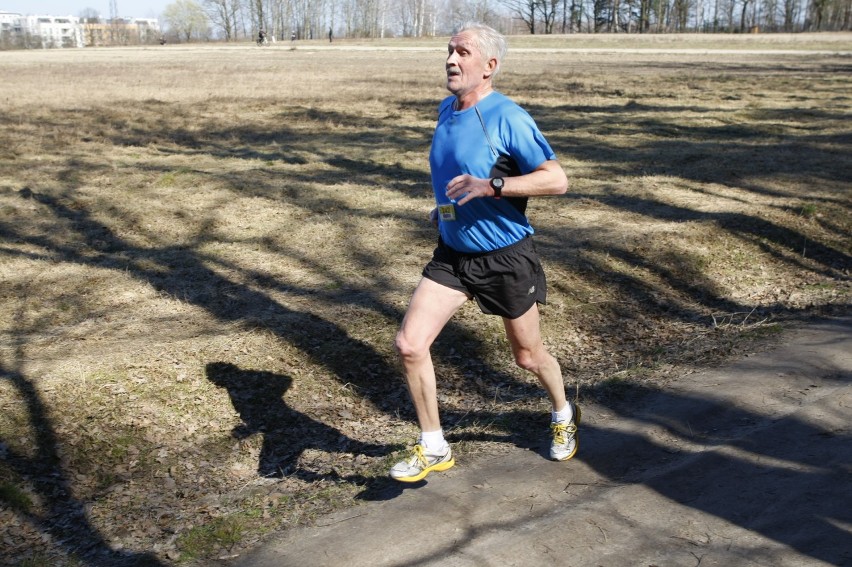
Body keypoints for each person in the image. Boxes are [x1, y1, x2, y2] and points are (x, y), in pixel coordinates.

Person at [390, 22, 578, 483]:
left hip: (506, 258)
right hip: (453, 255)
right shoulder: (445, 109)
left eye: (464, 53)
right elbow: (454, 170)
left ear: (490, 66)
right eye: (450, 51)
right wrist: (444, 209)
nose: (451, 60)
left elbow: (557, 179)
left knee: (528, 357)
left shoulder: (508, 116)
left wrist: (491, 186)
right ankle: (434, 446)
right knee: (410, 344)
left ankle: (562, 413)